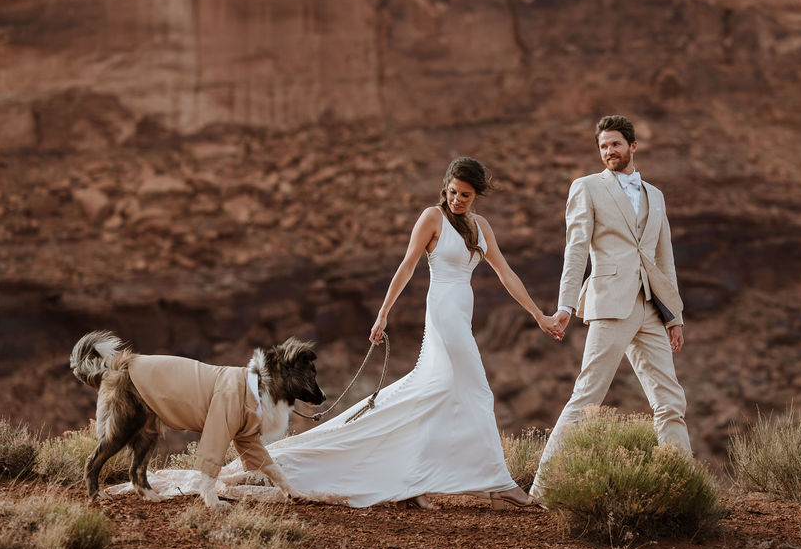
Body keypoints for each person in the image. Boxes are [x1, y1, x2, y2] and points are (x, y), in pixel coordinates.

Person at [214, 157, 557, 510]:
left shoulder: (481, 226)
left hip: (461, 310)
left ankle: (414, 481)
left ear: (477, 196)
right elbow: (407, 265)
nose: (457, 200)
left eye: (465, 196)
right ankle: (499, 484)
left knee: (434, 394)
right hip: (442, 312)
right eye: (453, 192)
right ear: (445, 187)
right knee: (477, 393)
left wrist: (538, 315)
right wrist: (383, 313)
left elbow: (505, 272)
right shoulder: (431, 217)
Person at [529, 115, 691, 500]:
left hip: (651, 308)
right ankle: (542, 487)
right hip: (609, 305)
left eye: (615, 145)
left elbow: (663, 259)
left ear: (632, 146)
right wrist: (565, 305)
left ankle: (683, 487)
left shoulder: (656, 195)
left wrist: (675, 316)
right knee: (588, 396)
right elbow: (575, 250)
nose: (608, 152)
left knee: (670, 399)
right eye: (603, 146)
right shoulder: (586, 188)